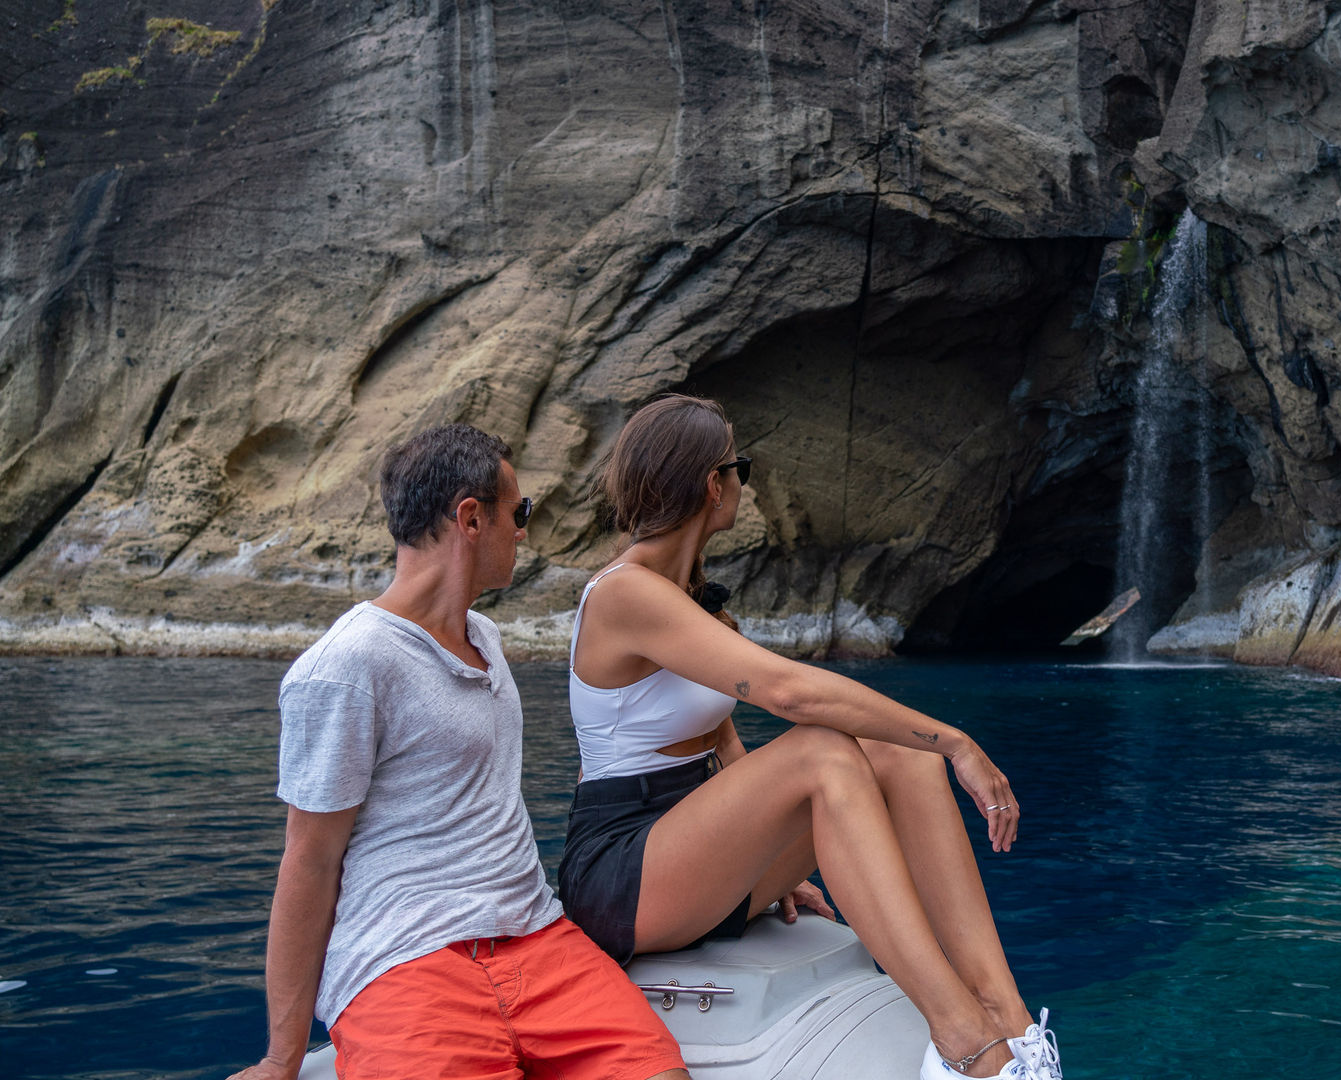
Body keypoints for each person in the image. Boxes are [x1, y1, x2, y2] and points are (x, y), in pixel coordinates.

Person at [557, 394, 1064, 1080]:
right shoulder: (624, 593)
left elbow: (720, 740)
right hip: (622, 869)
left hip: (688, 854)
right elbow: (789, 693)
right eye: (742, 467)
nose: (748, 481)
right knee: (823, 751)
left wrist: (768, 861)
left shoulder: (698, 604)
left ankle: (1007, 1016)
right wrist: (956, 741)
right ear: (713, 484)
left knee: (897, 751)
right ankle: (966, 1045)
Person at [228, 425, 689, 1080]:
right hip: (405, 962)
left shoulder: (487, 639)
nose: (524, 531)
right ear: (471, 519)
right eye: (518, 513)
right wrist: (281, 1059)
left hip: (540, 942)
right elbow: (309, 861)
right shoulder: (348, 665)